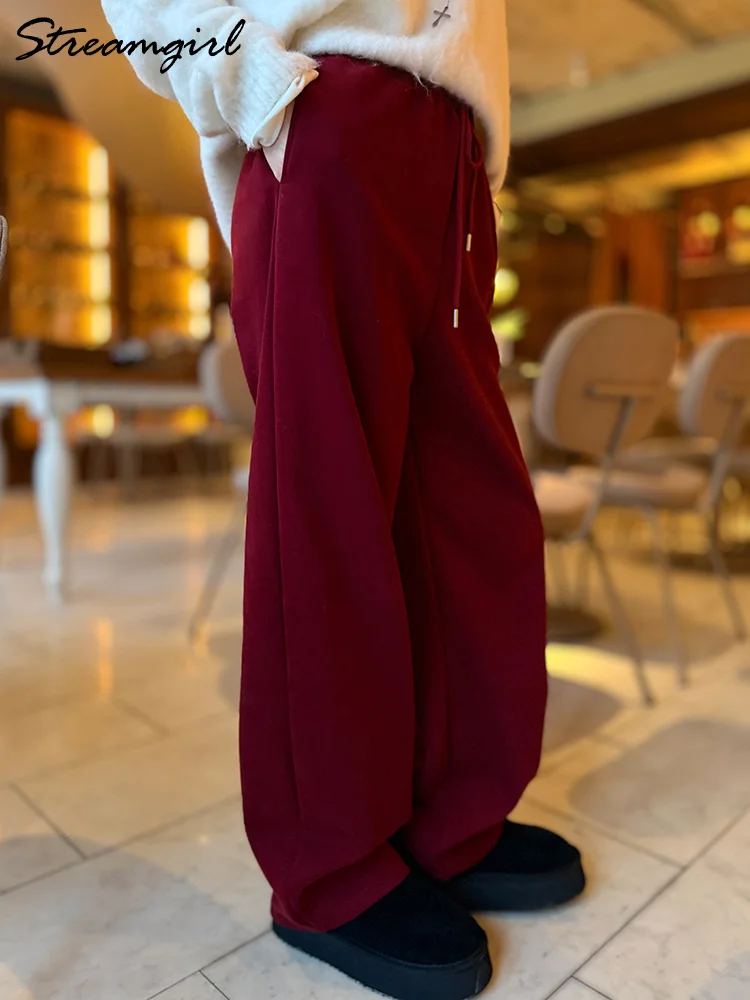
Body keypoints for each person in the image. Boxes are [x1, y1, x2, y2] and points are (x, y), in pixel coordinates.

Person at [101, 3, 585, 997]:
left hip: (450, 151)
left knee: (470, 514)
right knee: (329, 511)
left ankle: (451, 819)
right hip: (324, 112)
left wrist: (468, 146)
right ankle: (329, 866)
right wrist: (247, 79)